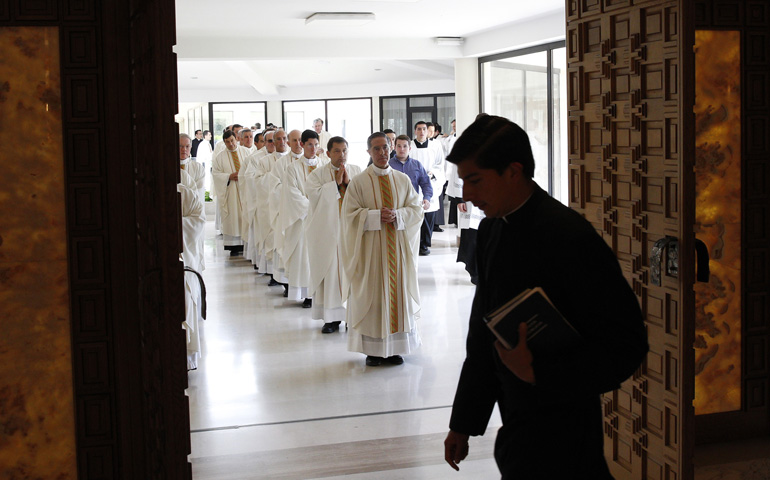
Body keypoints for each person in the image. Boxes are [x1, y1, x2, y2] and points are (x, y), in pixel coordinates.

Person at [443, 115, 648, 479]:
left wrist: (538, 371)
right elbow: (484, 332)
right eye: (463, 182)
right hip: (516, 424)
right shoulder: (492, 230)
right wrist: (464, 421)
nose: (468, 194)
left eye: (475, 180)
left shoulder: (569, 237)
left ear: (513, 170)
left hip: (566, 428)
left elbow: (626, 344)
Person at [340, 132, 423, 367]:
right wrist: (375, 216)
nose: (382, 153)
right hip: (370, 253)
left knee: (396, 294)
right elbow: (349, 217)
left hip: (396, 249)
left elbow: (416, 210)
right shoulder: (358, 182)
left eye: (385, 148)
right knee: (373, 295)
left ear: (391, 149)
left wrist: (398, 215)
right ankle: (373, 351)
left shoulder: (402, 180)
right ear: (368, 152)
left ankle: (396, 348)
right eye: (376, 149)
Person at [305, 136, 362, 333]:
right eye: (336, 151)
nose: (341, 155)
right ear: (328, 153)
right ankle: (331, 318)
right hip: (328, 234)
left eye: (344, 150)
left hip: (351, 233)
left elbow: (364, 198)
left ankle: (352, 316)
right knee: (331, 274)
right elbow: (313, 198)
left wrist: (349, 184)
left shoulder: (356, 171)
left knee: (352, 273)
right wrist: (335, 186)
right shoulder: (318, 175)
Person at [279, 129, 328, 306]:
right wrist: (313, 207)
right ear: (302, 144)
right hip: (303, 219)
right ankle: (308, 294)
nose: (313, 148)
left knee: (321, 255)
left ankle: (320, 293)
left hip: (323, 220)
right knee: (304, 256)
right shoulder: (292, 169)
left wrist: (322, 208)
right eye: (309, 144)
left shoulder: (325, 166)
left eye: (316, 145)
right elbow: (292, 194)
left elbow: (330, 190)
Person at [179, 169, 205, 370]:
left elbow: (198, 221)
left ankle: (185, 359)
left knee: (185, 304)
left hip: (183, 259)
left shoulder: (185, 193)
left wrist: (172, 225)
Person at [410, 121, 445, 255]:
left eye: (424, 129)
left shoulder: (436, 145)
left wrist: (432, 173)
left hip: (430, 183)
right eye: (419, 129)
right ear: (415, 131)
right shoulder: (410, 146)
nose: (422, 132)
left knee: (428, 215)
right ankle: (416, 243)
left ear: (428, 131)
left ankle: (425, 244)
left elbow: (440, 164)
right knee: (415, 216)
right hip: (414, 185)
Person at [211, 130, 246, 255]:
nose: (230, 144)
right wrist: (228, 176)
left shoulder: (246, 152)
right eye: (227, 142)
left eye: (232, 140)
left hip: (245, 190)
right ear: (224, 142)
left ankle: (246, 244)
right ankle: (234, 246)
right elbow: (215, 174)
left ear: (236, 139)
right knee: (233, 217)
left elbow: (253, 169)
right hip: (230, 191)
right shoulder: (220, 157)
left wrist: (244, 175)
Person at [388, 135, 432, 215]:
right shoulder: (388, 165)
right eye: (399, 146)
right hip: (393, 206)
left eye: (405, 146)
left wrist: (427, 198)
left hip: (413, 205)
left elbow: (426, 183)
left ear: (410, 148)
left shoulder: (417, 165)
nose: (402, 149)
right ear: (394, 147)